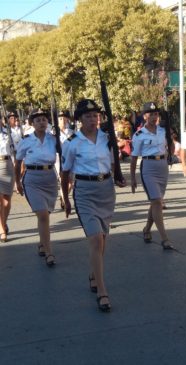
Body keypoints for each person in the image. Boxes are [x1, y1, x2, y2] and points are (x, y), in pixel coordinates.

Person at [61, 99, 124, 312]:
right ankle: (102, 290)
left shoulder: (107, 139)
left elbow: (114, 163)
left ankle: (93, 274)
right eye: (88, 116)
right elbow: (65, 171)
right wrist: (66, 198)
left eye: (96, 115)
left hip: (106, 190)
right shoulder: (72, 142)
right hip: (84, 192)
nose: (93, 119)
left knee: (103, 240)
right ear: (79, 119)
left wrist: (118, 177)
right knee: (96, 239)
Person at [15, 108, 58, 266]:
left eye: (44, 119)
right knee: (43, 215)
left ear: (48, 122)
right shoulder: (26, 140)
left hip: (50, 178)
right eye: (37, 120)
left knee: (45, 213)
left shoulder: (54, 139)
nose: (41, 122)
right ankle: (49, 252)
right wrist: (18, 181)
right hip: (32, 179)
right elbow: (18, 161)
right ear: (32, 123)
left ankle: (42, 243)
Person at [130, 102, 174, 250]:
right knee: (157, 201)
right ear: (145, 116)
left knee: (155, 201)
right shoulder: (139, 135)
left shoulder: (163, 131)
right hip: (148, 167)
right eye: (151, 114)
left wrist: (171, 138)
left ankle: (147, 229)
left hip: (162, 166)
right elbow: (134, 157)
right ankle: (164, 238)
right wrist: (133, 178)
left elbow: (170, 148)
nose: (154, 116)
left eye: (156, 114)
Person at [0, 123, 15, 242]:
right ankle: (1, 230)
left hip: (7, 164)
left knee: (6, 201)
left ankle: (4, 223)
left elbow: (15, 149)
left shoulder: (8, 133)